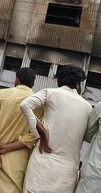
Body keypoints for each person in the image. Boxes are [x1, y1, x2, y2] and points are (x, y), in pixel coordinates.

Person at [20, 65, 92, 193]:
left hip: (42, 161)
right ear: (78, 84)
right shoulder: (88, 107)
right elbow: (87, 136)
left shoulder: (50, 92)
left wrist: (41, 133)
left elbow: (26, 105)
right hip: (67, 171)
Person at [0, 67, 38, 193]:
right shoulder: (37, 103)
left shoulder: (1, 94)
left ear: (17, 80)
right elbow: (34, 135)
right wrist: (7, 148)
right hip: (16, 160)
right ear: (33, 84)